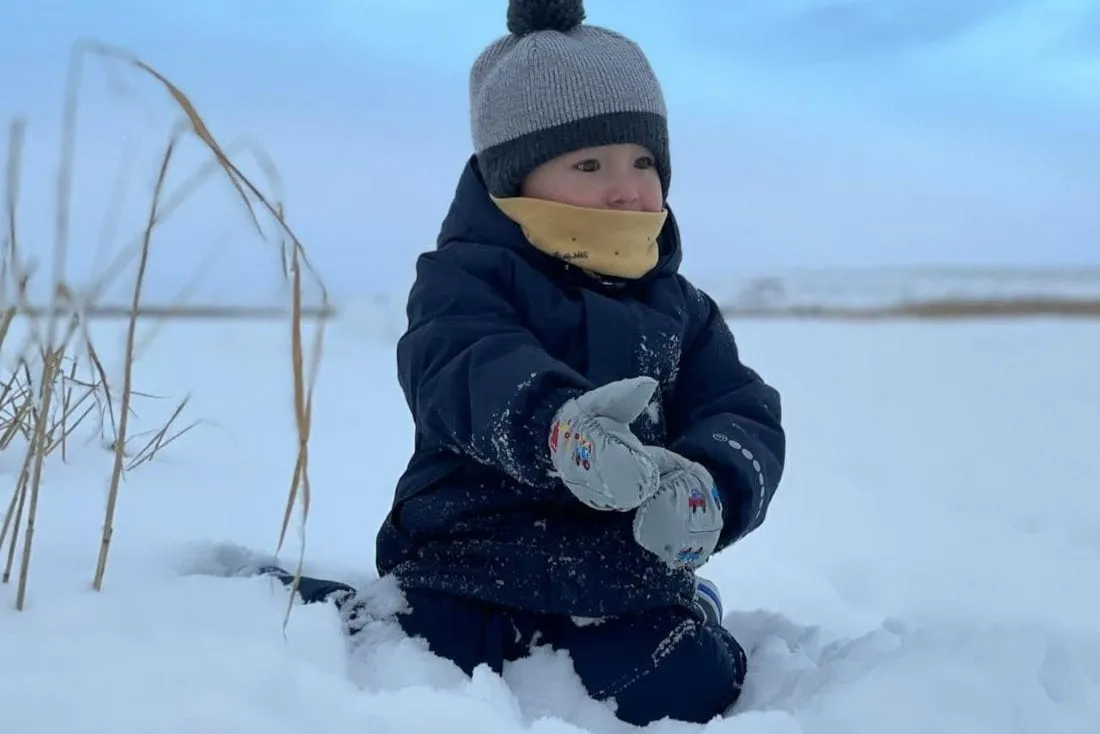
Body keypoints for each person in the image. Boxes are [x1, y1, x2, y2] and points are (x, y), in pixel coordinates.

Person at [264, 0, 786, 725]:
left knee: (683, 685)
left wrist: (714, 482)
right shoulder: (465, 280)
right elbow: (462, 363)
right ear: (514, 179)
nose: (626, 186)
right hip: (466, 555)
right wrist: (557, 428)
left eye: (644, 161)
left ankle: (695, 610)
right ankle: (293, 606)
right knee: (408, 661)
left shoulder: (682, 309)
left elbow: (740, 408)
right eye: (589, 162)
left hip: (622, 573)